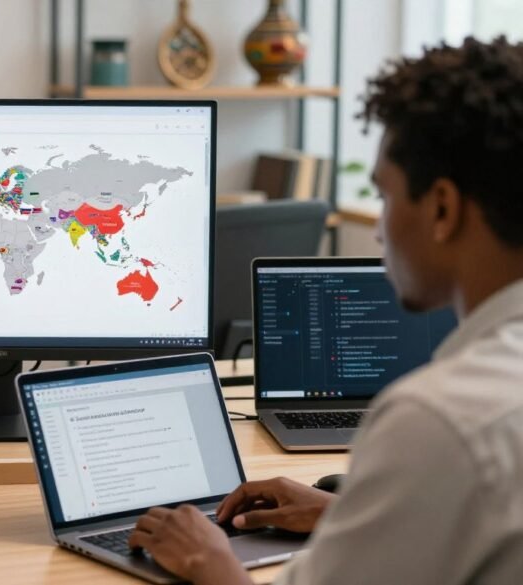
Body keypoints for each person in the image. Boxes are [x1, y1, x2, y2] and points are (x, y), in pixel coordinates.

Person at [129, 35, 523, 585]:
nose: (380, 230)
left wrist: (207, 560)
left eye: (384, 196)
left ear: (442, 208)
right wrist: (351, 515)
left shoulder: (439, 421)